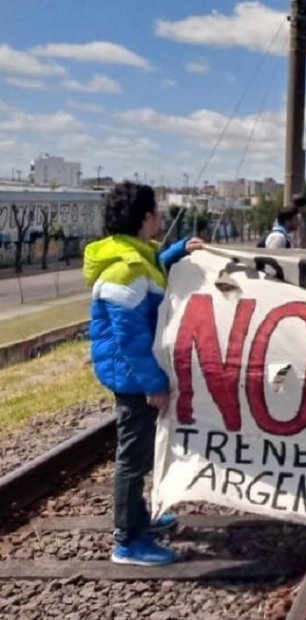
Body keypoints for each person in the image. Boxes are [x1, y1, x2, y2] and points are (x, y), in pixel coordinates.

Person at [85, 182, 205, 566]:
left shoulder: (137, 257)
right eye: (156, 211)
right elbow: (130, 339)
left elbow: (155, 269)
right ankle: (127, 540)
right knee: (133, 458)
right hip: (132, 376)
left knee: (139, 453)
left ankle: (138, 520)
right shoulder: (126, 270)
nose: (160, 218)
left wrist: (176, 251)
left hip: (134, 373)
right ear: (145, 218)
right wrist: (153, 383)